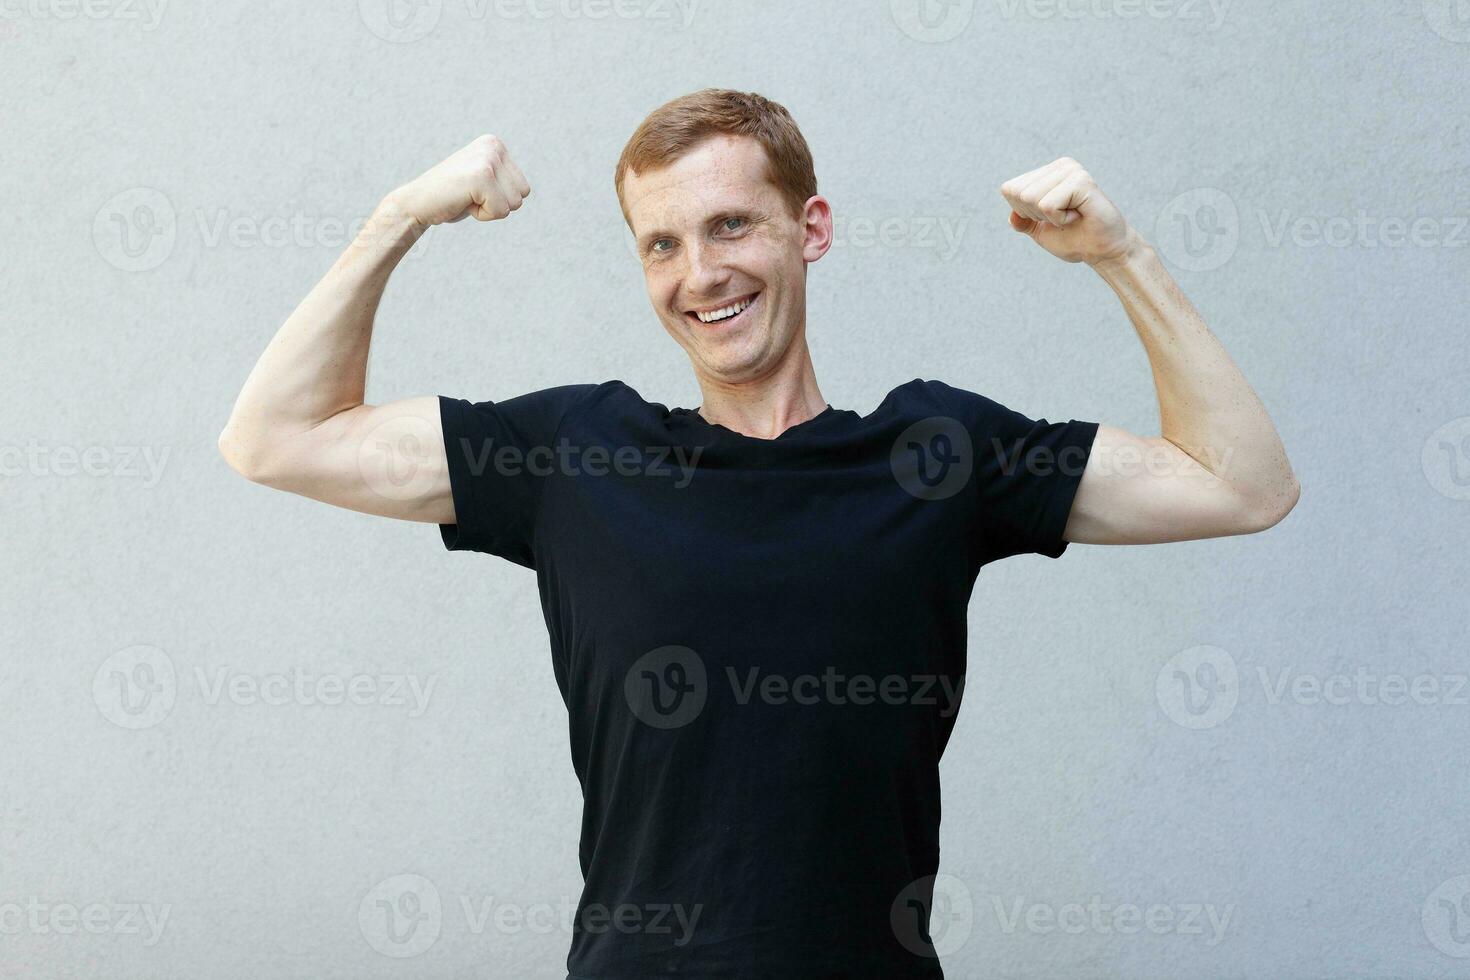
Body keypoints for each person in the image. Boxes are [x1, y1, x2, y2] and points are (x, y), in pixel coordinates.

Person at [218, 88, 1298, 979]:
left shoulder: (937, 451)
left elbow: (1241, 484)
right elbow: (277, 435)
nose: (702, 273)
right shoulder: (574, 452)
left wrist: (1121, 252)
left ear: (809, 229)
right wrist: (401, 213)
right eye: (663, 244)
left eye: (731, 223)